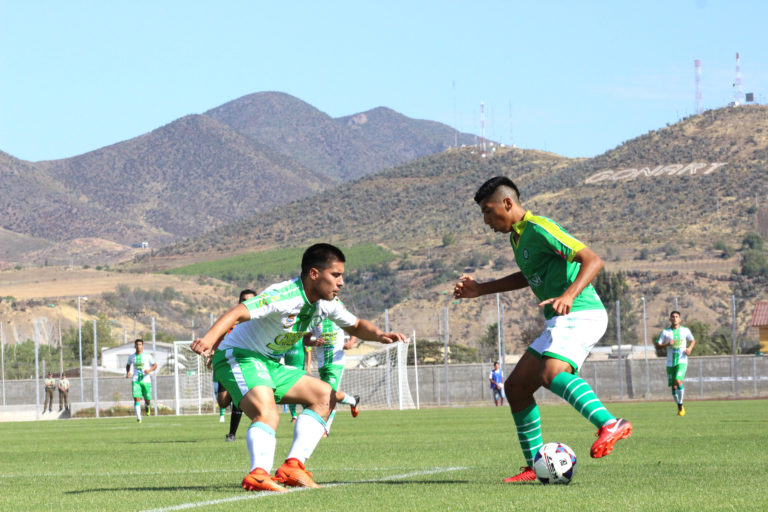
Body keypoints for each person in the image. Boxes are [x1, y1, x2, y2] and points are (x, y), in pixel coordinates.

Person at [453, 176, 632, 483]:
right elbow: (526, 276)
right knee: (517, 388)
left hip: (581, 312)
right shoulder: (518, 238)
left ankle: (609, 423)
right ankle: (534, 467)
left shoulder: (540, 228)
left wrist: (568, 295)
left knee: (551, 374)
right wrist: (481, 289)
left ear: (508, 203)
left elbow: (592, 259)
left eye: (487, 210)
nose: (485, 220)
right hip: (560, 320)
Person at [191, 243, 408, 492]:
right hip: (239, 356)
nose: (341, 282)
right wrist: (208, 341)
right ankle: (258, 474)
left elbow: (356, 325)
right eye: (335, 275)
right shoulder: (284, 295)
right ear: (314, 274)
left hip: (270, 363)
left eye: (342, 276)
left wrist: (379, 335)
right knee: (267, 412)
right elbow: (238, 312)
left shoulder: (327, 303)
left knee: (325, 395)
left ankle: (293, 466)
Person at [304, 310, 361, 433]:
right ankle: (353, 400)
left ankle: (325, 429)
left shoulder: (338, 315)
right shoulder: (315, 318)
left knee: (329, 395)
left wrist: (351, 342)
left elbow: (355, 329)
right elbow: (305, 340)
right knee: (330, 394)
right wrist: (314, 342)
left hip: (336, 362)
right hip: (322, 363)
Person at [212, 289, 255, 441]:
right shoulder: (231, 321)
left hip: (247, 364)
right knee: (223, 402)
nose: (246, 303)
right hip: (227, 362)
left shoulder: (259, 323)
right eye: (243, 300)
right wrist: (212, 353)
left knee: (240, 394)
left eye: (249, 300)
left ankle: (232, 434)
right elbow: (218, 336)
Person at [655, 310, 696, 416]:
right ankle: (679, 405)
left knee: (678, 381)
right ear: (670, 319)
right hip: (670, 363)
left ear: (680, 319)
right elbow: (657, 345)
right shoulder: (665, 332)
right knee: (673, 386)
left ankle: (681, 405)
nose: (674, 318)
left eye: (677, 316)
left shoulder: (685, 330)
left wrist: (690, 349)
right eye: (673, 317)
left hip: (682, 361)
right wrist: (667, 344)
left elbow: (693, 340)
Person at [125, 339, 157, 423]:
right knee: (136, 398)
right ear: (135, 346)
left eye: (140, 344)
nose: (138, 346)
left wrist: (149, 371)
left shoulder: (148, 355)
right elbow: (128, 365)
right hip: (136, 380)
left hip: (146, 380)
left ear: (142, 346)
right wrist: (128, 372)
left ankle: (147, 406)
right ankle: (139, 417)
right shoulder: (132, 357)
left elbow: (155, 365)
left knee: (147, 399)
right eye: (137, 344)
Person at [283, 337, 312, 423]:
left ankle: (307, 414)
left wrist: (308, 367)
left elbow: (309, 352)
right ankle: (294, 416)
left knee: (303, 393)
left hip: (299, 370)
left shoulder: (302, 337)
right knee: (290, 393)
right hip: (288, 370)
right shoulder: (285, 338)